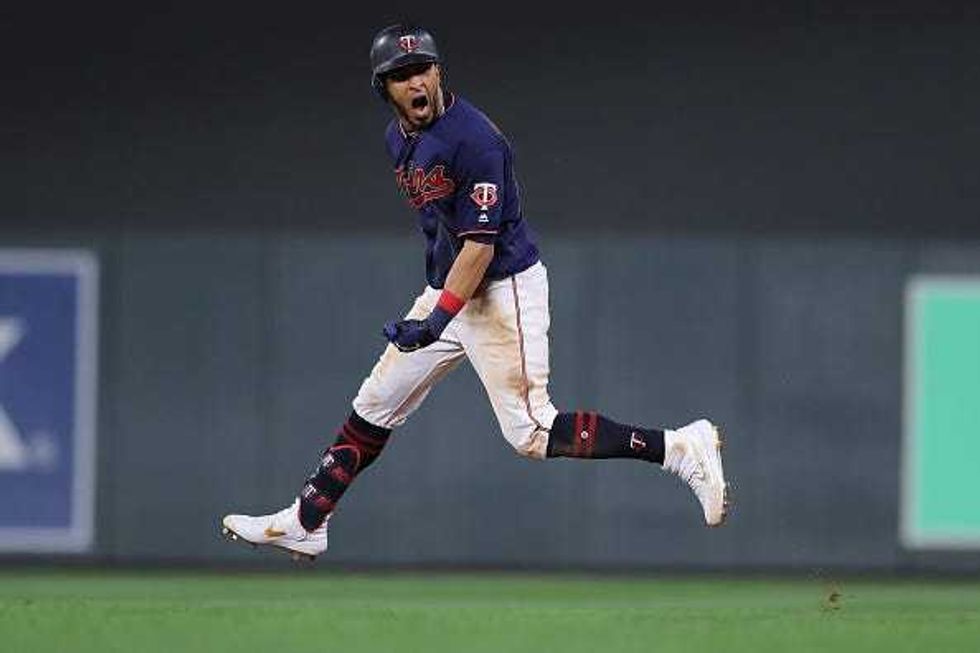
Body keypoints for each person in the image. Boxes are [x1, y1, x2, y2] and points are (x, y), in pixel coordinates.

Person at [221, 24, 728, 561]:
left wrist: (436, 319)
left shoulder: (476, 140)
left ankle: (678, 447)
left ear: (439, 71)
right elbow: (440, 226)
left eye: (422, 69)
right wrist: (437, 301)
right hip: (450, 291)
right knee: (375, 403)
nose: (415, 82)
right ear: (383, 88)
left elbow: (480, 248)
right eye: (400, 75)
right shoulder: (398, 138)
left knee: (531, 432)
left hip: (501, 289)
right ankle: (307, 521)